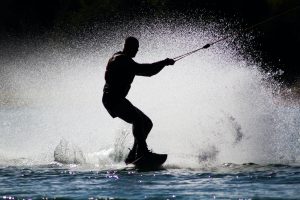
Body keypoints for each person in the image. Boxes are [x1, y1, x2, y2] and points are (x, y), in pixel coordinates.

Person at [102, 36, 175, 164]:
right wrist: (164, 63)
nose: (137, 51)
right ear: (128, 47)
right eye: (135, 48)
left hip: (116, 99)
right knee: (137, 119)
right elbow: (147, 71)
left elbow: (147, 71)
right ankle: (142, 152)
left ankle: (133, 156)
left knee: (147, 123)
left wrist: (163, 63)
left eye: (138, 48)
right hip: (112, 99)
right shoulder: (121, 59)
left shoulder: (124, 59)